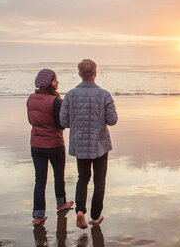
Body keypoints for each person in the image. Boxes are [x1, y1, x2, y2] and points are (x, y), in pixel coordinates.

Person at [60, 59, 118, 229]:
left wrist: (77, 124)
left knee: (83, 178)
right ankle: (95, 215)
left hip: (80, 143)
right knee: (99, 180)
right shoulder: (104, 95)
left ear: (79, 74)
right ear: (95, 73)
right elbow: (112, 120)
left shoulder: (71, 95)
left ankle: (80, 211)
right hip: (100, 144)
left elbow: (63, 121)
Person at [27, 68, 74, 226]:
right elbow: (61, 125)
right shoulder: (55, 101)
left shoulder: (31, 98)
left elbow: (30, 120)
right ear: (48, 83)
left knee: (39, 180)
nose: (57, 83)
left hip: (36, 144)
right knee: (58, 176)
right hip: (54, 144)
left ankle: (38, 216)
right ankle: (61, 204)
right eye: (55, 80)